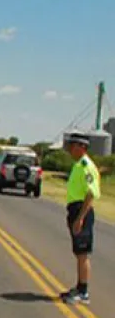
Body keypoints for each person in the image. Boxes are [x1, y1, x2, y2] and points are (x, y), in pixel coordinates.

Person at [59, 131, 100, 305]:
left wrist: (80, 218)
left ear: (82, 147)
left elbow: (91, 193)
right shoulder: (78, 165)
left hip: (81, 210)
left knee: (83, 253)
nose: (70, 149)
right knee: (78, 252)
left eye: (73, 146)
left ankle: (83, 292)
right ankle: (79, 286)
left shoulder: (86, 166)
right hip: (75, 209)